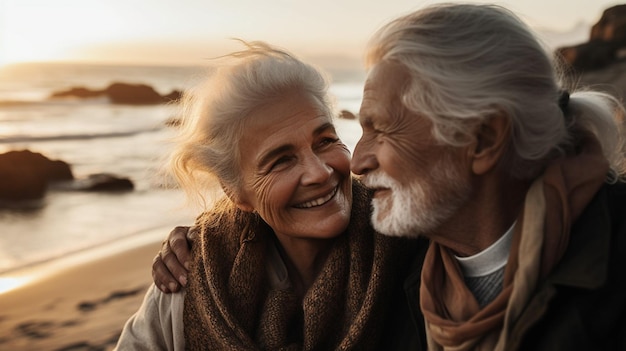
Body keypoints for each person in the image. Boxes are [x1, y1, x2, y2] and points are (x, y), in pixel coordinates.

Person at [154, 3, 626, 350]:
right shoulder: (406, 262)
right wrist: (202, 235)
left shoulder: (394, 258)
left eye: (381, 130)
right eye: (358, 130)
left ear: (482, 139)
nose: (353, 164)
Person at [114, 41, 412, 350]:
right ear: (235, 192)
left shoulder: (411, 247)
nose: (320, 172)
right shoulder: (190, 279)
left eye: (325, 140)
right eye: (281, 160)